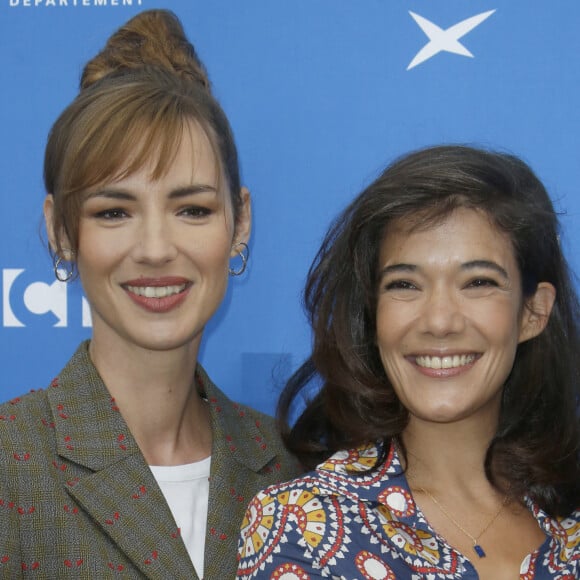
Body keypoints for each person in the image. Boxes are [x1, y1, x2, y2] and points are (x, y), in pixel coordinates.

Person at [0, 9, 299, 579]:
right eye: (114, 211)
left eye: (192, 209)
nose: (156, 248)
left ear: (240, 225)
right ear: (63, 232)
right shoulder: (12, 462)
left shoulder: (294, 468)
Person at [237, 145, 580, 579]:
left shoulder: (568, 524)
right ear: (373, 313)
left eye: (477, 282)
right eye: (405, 284)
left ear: (533, 312)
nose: (439, 321)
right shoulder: (302, 527)